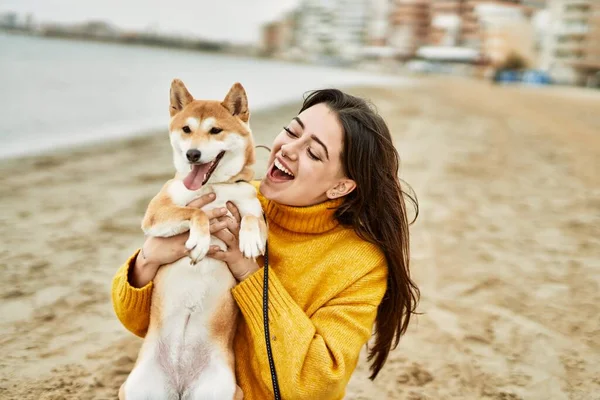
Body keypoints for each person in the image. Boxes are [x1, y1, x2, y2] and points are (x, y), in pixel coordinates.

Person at [111, 88, 419, 400]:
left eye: (313, 153)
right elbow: (135, 321)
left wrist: (250, 274)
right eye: (291, 132)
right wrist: (147, 260)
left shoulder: (359, 264)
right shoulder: (229, 197)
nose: (288, 149)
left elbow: (317, 384)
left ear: (341, 185)